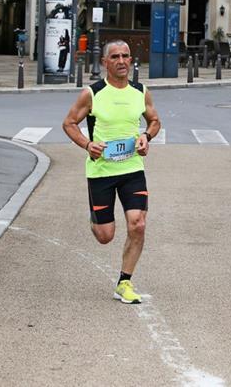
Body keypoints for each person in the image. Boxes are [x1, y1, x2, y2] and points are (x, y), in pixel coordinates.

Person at [62, 40, 161, 304]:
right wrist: (87, 145)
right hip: (101, 171)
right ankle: (95, 218)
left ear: (131, 60)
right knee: (105, 236)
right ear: (105, 62)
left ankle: (124, 282)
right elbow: (69, 123)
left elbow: (154, 120)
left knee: (138, 224)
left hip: (132, 169)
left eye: (125, 56)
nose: (121, 61)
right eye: (115, 57)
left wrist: (146, 136)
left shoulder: (140, 92)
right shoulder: (92, 94)